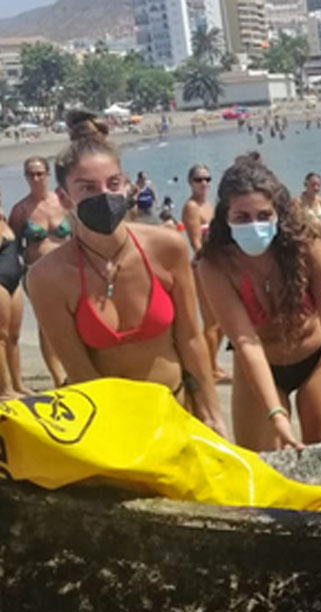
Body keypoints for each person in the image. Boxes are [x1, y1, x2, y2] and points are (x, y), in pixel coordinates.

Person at [24, 111, 225, 437]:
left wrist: (211, 413)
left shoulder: (167, 247)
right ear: (64, 197)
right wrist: (119, 438)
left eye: (113, 184)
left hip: (177, 410)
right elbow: (79, 368)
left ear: (127, 185)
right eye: (87, 188)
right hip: (109, 424)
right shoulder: (47, 277)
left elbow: (190, 338)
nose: (104, 195)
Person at [197, 153, 321, 451]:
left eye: (263, 215)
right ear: (225, 216)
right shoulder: (214, 266)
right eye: (242, 217)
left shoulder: (308, 248)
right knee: (263, 460)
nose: (254, 225)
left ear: (278, 213)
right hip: (259, 364)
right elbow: (245, 341)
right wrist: (276, 414)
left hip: (319, 356)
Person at [8, 155, 68, 386]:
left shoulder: (63, 202)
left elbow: (80, 234)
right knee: (47, 324)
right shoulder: (21, 210)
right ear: (25, 176)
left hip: (68, 271)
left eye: (39, 173)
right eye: (31, 174)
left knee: (74, 319)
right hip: (37, 273)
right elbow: (12, 246)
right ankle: (57, 377)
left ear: (47, 175)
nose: (35, 178)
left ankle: (75, 367)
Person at [182, 164, 228, 383]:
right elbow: (195, 242)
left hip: (218, 264)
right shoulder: (191, 207)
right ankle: (210, 368)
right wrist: (211, 263)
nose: (204, 183)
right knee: (212, 321)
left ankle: (212, 363)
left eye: (207, 179)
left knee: (222, 321)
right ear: (190, 182)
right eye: (199, 179)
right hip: (204, 266)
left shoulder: (209, 205)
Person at [0, 190, 28, 397]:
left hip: (14, 282)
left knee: (14, 336)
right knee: (1, 336)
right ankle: (5, 388)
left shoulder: (3, 218)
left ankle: (18, 383)